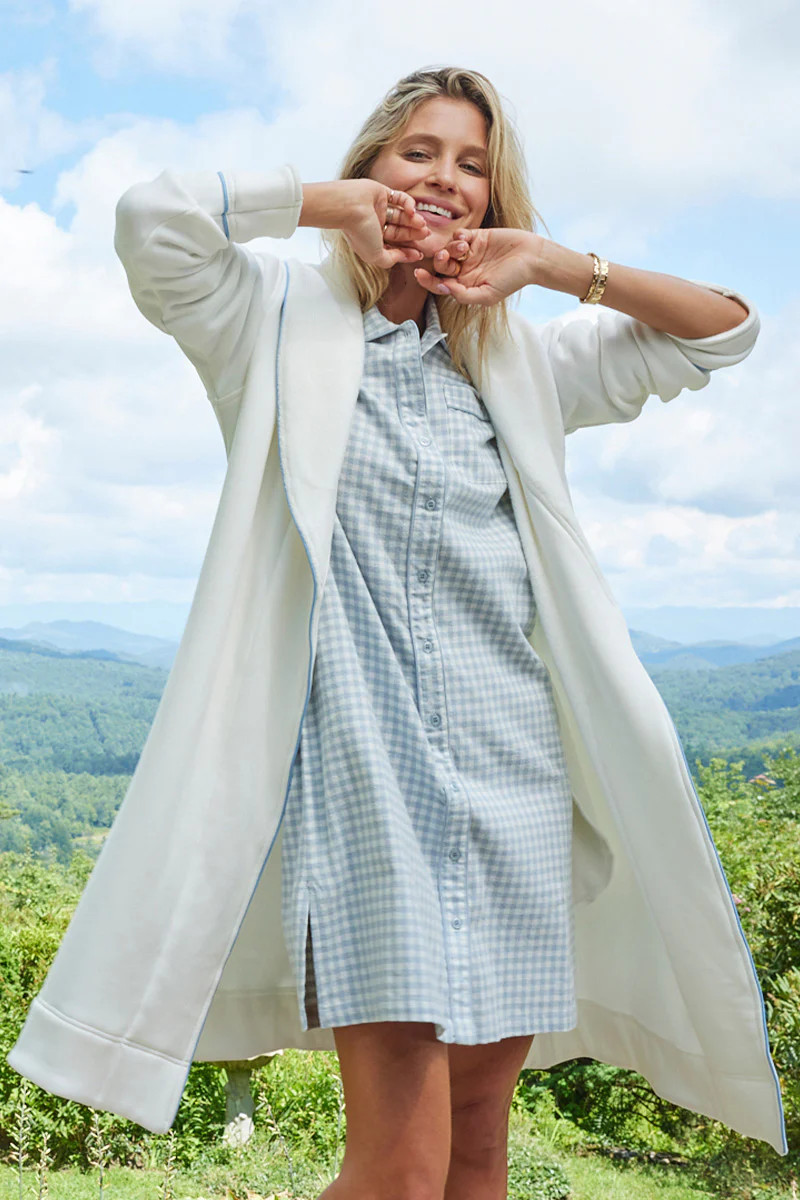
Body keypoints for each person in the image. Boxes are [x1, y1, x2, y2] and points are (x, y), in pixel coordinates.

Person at [7, 65, 787, 1194]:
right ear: (372, 162)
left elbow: (725, 335)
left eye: (473, 165)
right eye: (418, 152)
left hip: (515, 781)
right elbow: (153, 219)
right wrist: (328, 205)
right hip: (364, 783)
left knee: (477, 1149)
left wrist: (552, 266)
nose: (445, 180)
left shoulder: (521, 360)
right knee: (400, 1174)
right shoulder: (266, 320)